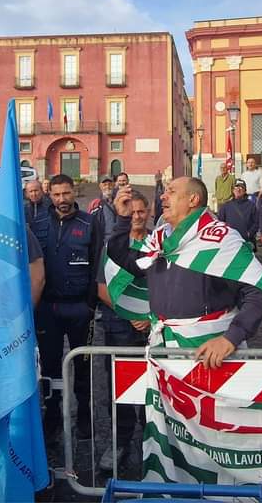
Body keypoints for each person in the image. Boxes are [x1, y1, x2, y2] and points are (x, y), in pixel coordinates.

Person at [106, 177, 262, 369]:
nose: (162, 197)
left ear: (193, 199)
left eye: (171, 191)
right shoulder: (159, 240)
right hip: (166, 353)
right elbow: (126, 258)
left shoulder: (222, 240)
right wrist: (122, 219)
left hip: (211, 357)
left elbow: (258, 292)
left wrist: (231, 338)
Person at [35, 174, 99, 439]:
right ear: (49, 194)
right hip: (48, 309)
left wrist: (91, 306)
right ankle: (52, 417)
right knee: (49, 367)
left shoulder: (90, 223)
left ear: (75, 192)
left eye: (66, 193)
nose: (62, 199)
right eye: (57, 194)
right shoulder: (37, 223)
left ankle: (84, 416)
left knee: (83, 366)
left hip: (79, 309)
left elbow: (97, 265)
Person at [95, 190, 151, 471]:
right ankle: (120, 441)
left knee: (154, 386)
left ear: (149, 212)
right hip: (119, 325)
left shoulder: (159, 244)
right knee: (120, 386)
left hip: (154, 328)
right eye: (131, 212)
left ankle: (155, 442)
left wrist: (149, 316)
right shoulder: (112, 245)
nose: (136, 217)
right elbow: (102, 288)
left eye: (140, 212)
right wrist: (130, 313)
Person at [217, 180, 257, 246]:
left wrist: (250, 233)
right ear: (233, 190)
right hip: (231, 241)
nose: (238, 190)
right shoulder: (226, 206)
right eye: (236, 187)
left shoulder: (251, 205)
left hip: (246, 241)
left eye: (241, 188)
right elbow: (220, 223)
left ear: (245, 191)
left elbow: (256, 222)